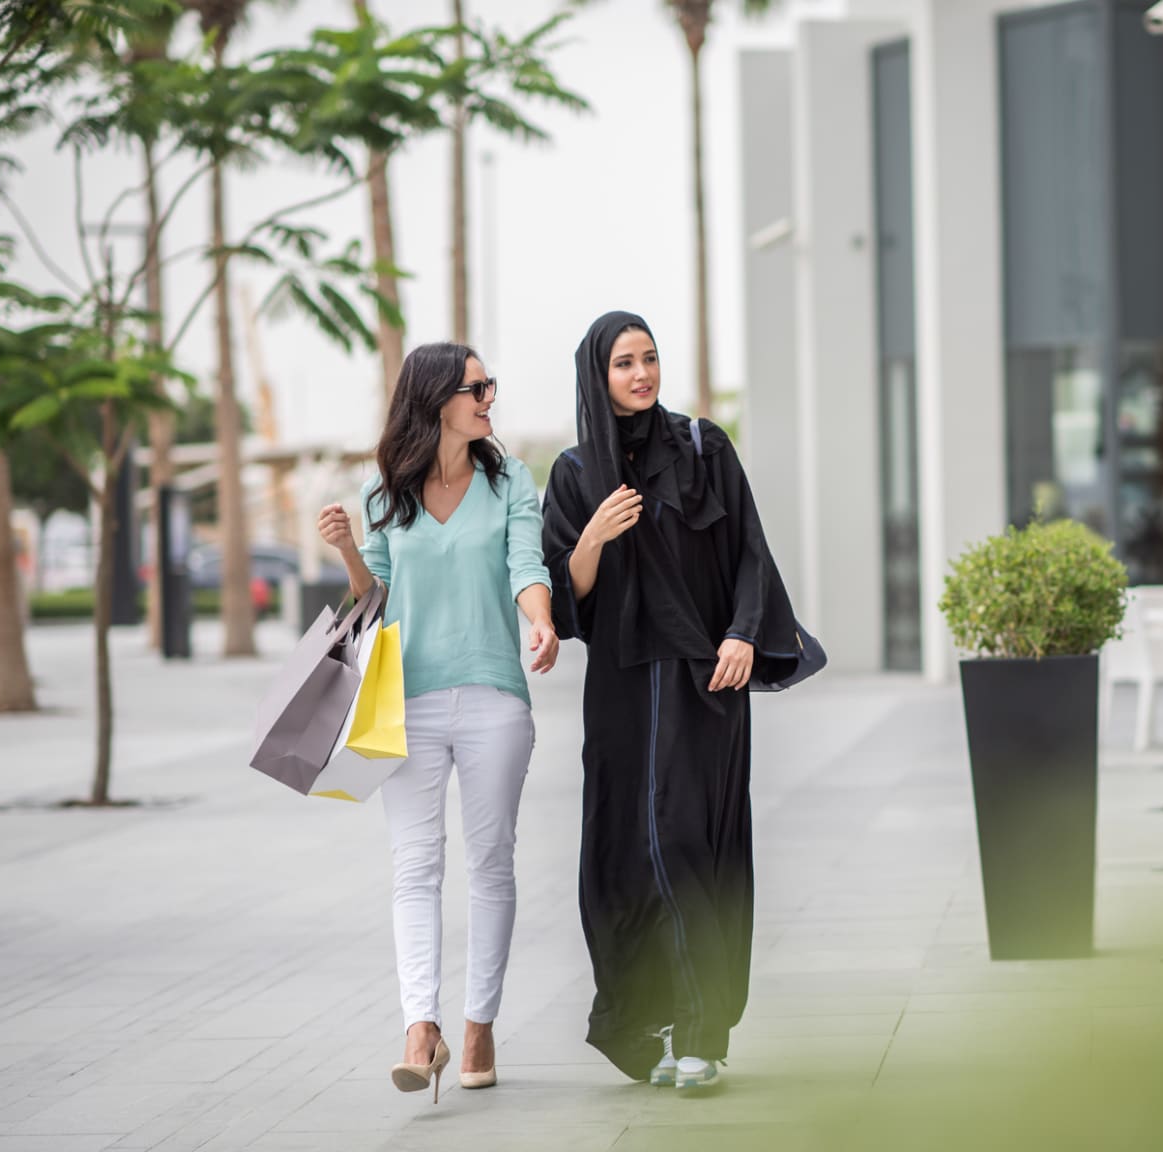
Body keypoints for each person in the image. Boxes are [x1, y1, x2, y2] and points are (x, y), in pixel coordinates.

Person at [542, 311, 804, 1091]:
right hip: (622, 691)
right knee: (626, 854)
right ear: (599, 373)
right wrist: (593, 536)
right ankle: (646, 1025)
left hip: (705, 683)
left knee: (694, 843)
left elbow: (751, 550)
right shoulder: (573, 473)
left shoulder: (703, 448)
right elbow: (565, 602)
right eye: (625, 363)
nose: (642, 374)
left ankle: (703, 1030)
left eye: (650, 358)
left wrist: (745, 634)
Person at [317, 342, 558, 1102]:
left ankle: (479, 1023)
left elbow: (527, 563)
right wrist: (349, 550)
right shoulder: (384, 488)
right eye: (477, 387)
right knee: (415, 866)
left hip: (494, 696)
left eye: (490, 385)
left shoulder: (510, 478)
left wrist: (541, 623)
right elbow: (375, 597)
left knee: (491, 863)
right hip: (408, 701)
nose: (490, 396)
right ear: (436, 400)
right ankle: (422, 1027)